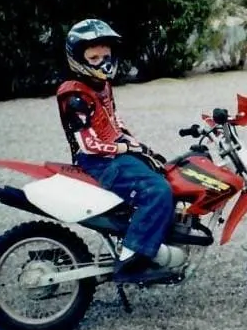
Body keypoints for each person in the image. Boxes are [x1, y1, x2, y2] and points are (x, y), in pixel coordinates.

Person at [55, 18, 176, 284]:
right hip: (98, 162)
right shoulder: (75, 96)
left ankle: (151, 235)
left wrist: (138, 144)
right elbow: (88, 144)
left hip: (114, 154)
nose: (103, 62)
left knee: (166, 173)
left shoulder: (102, 85)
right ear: (78, 58)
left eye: (106, 55)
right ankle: (132, 259)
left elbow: (113, 120)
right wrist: (123, 146)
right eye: (94, 57)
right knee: (157, 191)